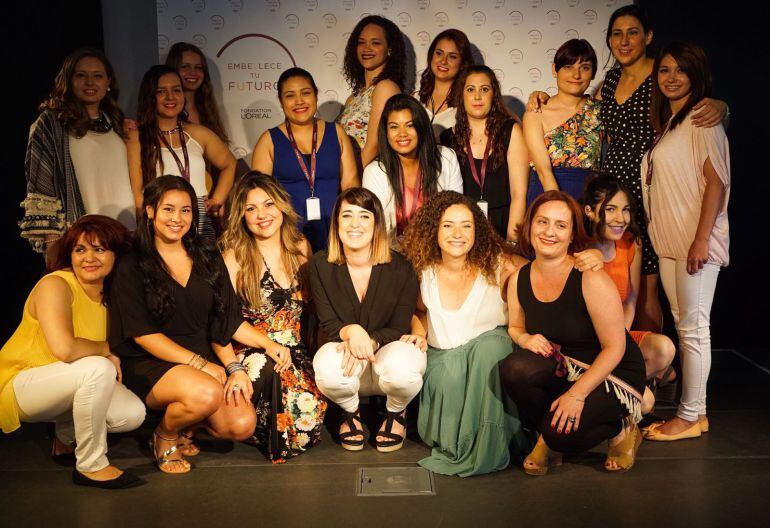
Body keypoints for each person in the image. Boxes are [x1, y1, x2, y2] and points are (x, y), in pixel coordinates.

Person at [527, 5, 727, 332]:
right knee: (605, 273)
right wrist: (540, 95)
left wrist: (722, 106)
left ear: (648, 36)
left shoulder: (661, 76)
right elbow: (576, 110)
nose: (624, 40)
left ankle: (649, 363)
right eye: (616, 34)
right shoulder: (610, 82)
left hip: (649, 187)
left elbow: (691, 108)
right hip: (607, 187)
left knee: (645, 284)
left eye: (632, 32)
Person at [109, 176, 292, 474]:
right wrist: (201, 365)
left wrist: (241, 362)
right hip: (150, 362)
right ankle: (165, 435)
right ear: (151, 211)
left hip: (202, 361)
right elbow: (143, 335)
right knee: (206, 392)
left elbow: (225, 321)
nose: (177, 219)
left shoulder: (207, 256)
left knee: (241, 424)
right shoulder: (132, 264)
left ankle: (188, 423)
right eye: (168, 209)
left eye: (186, 210)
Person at [501, 191, 646, 474]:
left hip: (612, 373)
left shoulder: (590, 277)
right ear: (529, 226)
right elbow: (515, 326)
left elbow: (615, 348)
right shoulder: (520, 277)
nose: (549, 232)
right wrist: (525, 338)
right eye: (542, 222)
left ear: (571, 235)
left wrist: (576, 395)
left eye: (560, 225)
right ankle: (552, 430)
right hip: (567, 366)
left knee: (560, 436)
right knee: (514, 369)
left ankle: (621, 427)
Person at [1, 215, 146, 488]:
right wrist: (108, 350)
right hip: (21, 382)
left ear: (117, 254)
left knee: (132, 413)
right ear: (70, 254)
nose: (88, 257)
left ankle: (64, 438)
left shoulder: (112, 295)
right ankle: (91, 465)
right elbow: (65, 349)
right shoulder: (55, 284)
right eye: (80, 249)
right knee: (98, 367)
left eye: (99, 249)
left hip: (64, 381)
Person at [401, 191, 529, 476]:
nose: (457, 233)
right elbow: (418, 312)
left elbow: (547, 275)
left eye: (466, 225)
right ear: (434, 229)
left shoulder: (501, 266)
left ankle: (490, 444)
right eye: (448, 225)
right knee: (457, 372)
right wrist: (418, 332)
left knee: (493, 345)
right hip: (444, 366)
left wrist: (586, 258)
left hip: (489, 367)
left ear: (478, 230)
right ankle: (467, 442)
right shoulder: (423, 271)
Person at [640, 42, 730, 441]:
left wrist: (700, 241)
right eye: (664, 71)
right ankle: (697, 412)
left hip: (696, 245)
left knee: (694, 329)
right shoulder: (673, 122)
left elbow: (717, 182)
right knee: (685, 325)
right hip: (672, 243)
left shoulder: (702, 117)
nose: (671, 78)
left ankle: (691, 416)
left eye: (680, 70)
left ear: (696, 74)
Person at [220, 172, 327, 462]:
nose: (261, 215)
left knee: (308, 426)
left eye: (268, 204)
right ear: (241, 215)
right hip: (255, 351)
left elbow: (315, 309)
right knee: (267, 370)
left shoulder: (300, 247)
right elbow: (224, 321)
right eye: (250, 208)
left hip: (297, 351)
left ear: (281, 206)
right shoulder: (235, 256)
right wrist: (266, 347)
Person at [310, 188, 424, 453]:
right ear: (336, 223)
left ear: (376, 225)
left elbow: (398, 325)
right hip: (345, 347)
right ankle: (350, 414)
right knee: (328, 369)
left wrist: (370, 341)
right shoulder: (320, 264)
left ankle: (396, 413)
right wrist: (352, 331)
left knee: (405, 368)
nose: (355, 224)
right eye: (347, 216)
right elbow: (327, 320)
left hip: (387, 346)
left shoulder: (401, 266)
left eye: (364, 216)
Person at [23, 48, 136, 254]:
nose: (90, 82)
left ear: (109, 82)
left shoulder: (118, 123)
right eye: (81, 75)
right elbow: (41, 191)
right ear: (68, 80)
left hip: (127, 237)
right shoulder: (51, 124)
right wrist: (53, 250)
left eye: (98, 76)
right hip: (82, 243)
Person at [582, 174, 676, 414]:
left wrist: (618, 343)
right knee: (643, 403)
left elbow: (631, 298)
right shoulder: (577, 247)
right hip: (584, 342)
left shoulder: (630, 243)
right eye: (610, 209)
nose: (620, 219)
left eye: (625, 210)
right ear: (590, 211)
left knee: (664, 349)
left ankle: (612, 385)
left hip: (617, 337)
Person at [251, 68, 358, 252]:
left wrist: (350, 227)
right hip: (290, 239)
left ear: (315, 95)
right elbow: (259, 197)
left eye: (305, 93)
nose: (299, 101)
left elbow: (351, 185)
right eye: (290, 96)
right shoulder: (268, 141)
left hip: (336, 235)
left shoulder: (337, 133)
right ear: (281, 101)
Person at [127, 65, 236, 241]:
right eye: (161, 91)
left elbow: (229, 163)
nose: (170, 97)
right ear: (150, 96)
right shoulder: (136, 136)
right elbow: (138, 193)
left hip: (199, 216)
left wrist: (217, 199)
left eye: (176, 90)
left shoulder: (198, 133)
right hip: (162, 220)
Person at [440, 65, 528, 241]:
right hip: (462, 232)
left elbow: (519, 194)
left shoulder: (511, 132)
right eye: (470, 89)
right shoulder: (446, 138)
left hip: (502, 228)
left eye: (484, 89)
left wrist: (511, 243)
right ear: (461, 95)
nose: (477, 96)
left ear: (493, 95)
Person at [362, 94, 462, 243]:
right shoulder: (375, 172)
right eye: (394, 127)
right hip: (394, 256)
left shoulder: (446, 158)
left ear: (421, 127)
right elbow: (375, 229)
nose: (402, 133)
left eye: (410, 125)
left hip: (440, 251)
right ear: (386, 132)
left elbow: (457, 212)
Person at [523, 39, 601, 208]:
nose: (576, 75)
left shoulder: (599, 111)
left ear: (593, 73)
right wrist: (562, 208)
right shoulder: (536, 112)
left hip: (589, 199)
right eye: (568, 67)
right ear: (554, 70)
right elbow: (543, 171)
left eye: (585, 68)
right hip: (547, 194)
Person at [338, 15, 406, 171]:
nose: (366, 48)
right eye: (361, 42)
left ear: (390, 49)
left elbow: (374, 146)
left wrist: (352, 180)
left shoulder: (386, 88)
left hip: (369, 179)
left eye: (375, 43)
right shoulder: (353, 98)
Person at [165, 42, 230, 143]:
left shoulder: (208, 110)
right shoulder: (163, 111)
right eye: (185, 67)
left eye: (198, 68)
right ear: (173, 70)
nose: (193, 73)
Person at [417, 29, 474, 138]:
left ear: (462, 63)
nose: (443, 61)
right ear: (431, 56)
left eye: (452, 56)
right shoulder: (414, 98)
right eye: (439, 53)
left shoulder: (469, 102)